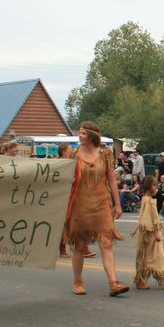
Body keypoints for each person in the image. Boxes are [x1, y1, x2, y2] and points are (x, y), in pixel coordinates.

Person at [66, 121, 129, 297]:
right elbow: (64, 179)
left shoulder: (105, 155)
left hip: (102, 204)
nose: (80, 136)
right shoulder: (74, 155)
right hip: (80, 205)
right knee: (79, 244)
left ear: (92, 136)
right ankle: (77, 281)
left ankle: (113, 282)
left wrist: (117, 204)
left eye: (83, 133)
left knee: (106, 242)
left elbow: (111, 181)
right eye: (79, 133)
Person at [132, 176, 164, 290]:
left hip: (148, 233)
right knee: (152, 256)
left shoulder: (147, 199)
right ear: (149, 187)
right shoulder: (148, 201)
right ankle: (161, 280)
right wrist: (155, 233)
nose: (156, 187)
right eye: (154, 185)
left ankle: (159, 279)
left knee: (149, 256)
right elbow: (147, 219)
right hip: (149, 234)